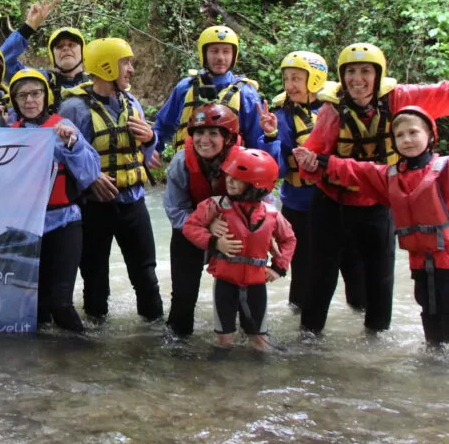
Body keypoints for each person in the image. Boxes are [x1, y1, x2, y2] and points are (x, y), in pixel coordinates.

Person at [300, 42, 449, 336]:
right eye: (351, 72)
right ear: (342, 77)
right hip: (333, 203)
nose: (358, 79)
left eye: (366, 71)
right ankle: (309, 338)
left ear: (378, 74)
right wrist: (304, 159)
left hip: (379, 202)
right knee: (321, 275)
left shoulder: (400, 99)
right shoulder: (332, 112)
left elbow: (443, 94)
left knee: (381, 279)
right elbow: (313, 156)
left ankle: (376, 339)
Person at [57, 38, 163, 323]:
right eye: (125, 63)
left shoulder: (132, 102)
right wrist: (90, 178)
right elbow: (63, 157)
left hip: (133, 203)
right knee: (95, 281)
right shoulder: (74, 109)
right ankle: (95, 344)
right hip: (94, 207)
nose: (130, 69)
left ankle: (154, 335)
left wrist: (151, 138)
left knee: (146, 276)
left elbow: (148, 151)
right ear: (105, 67)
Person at [271, 51, 365, 313]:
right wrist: (269, 136)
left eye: (297, 79)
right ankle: (300, 323)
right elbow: (276, 168)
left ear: (315, 80)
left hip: (338, 202)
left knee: (354, 267)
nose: (290, 86)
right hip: (299, 205)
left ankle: (360, 315)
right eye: (287, 79)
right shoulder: (282, 116)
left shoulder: (338, 108)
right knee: (303, 271)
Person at [9, 70, 102, 332]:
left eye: (36, 93)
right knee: (36, 308)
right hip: (26, 227)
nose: (30, 100)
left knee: (61, 303)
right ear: (15, 100)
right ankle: (43, 367)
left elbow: (90, 174)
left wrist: (73, 145)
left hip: (64, 223)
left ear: (45, 96)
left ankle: (84, 356)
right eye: (23, 95)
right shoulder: (8, 135)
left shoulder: (64, 129)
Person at [183, 147, 296, 352]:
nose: (229, 181)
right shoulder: (215, 205)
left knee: (260, 342)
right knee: (224, 341)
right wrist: (214, 242)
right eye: (230, 176)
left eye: (237, 178)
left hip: (256, 284)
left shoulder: (271, 214)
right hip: (225, 283)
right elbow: (190, 227)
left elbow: (289, 239)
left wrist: (278, 268)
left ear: (257, 184)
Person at [163, 103, 241, 339]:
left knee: (243, 291)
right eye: (198, 132)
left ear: (228, 138)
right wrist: (207, 227)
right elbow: (176, 212)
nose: (203, 140)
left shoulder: (244, 160)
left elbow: (261, 207)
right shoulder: (181, 162)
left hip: (232, 231)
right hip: (190, 230)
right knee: (183, 298)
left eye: (213, 133)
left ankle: (250, 338)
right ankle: (177, 341)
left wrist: (226, 227)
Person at [153, 25, 275, 162]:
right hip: (186, 172)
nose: (220, 57)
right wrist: (152, 148)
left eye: (226, 51)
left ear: (233, 55)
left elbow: (256, 143)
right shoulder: (185, 88)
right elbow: (163, 126)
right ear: (204, 54)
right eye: (214, 51)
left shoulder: (246, 93)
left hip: (230, 178)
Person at [0, 0, 90, 106]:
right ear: (52, 55)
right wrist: (29, 26)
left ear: (82, 51)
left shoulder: (96, 83)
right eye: (59, 46)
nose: (66, 48)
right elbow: (1, 62)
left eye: (72, 45)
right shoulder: (42, 80)